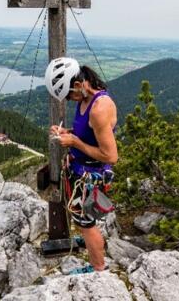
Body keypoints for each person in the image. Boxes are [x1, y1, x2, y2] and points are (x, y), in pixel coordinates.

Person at [45, 57, 118, 274]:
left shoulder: (99, 108)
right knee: (83, 220)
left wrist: (74, 142)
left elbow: (110, 156)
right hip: (81, 170)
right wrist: (69, 134)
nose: (69, 99)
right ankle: (90, 243)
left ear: (79, 84)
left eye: (69, 95)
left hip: (91, 174)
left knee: (87, 224)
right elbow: (89, 135)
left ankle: (98, 269)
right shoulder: (85, 100)